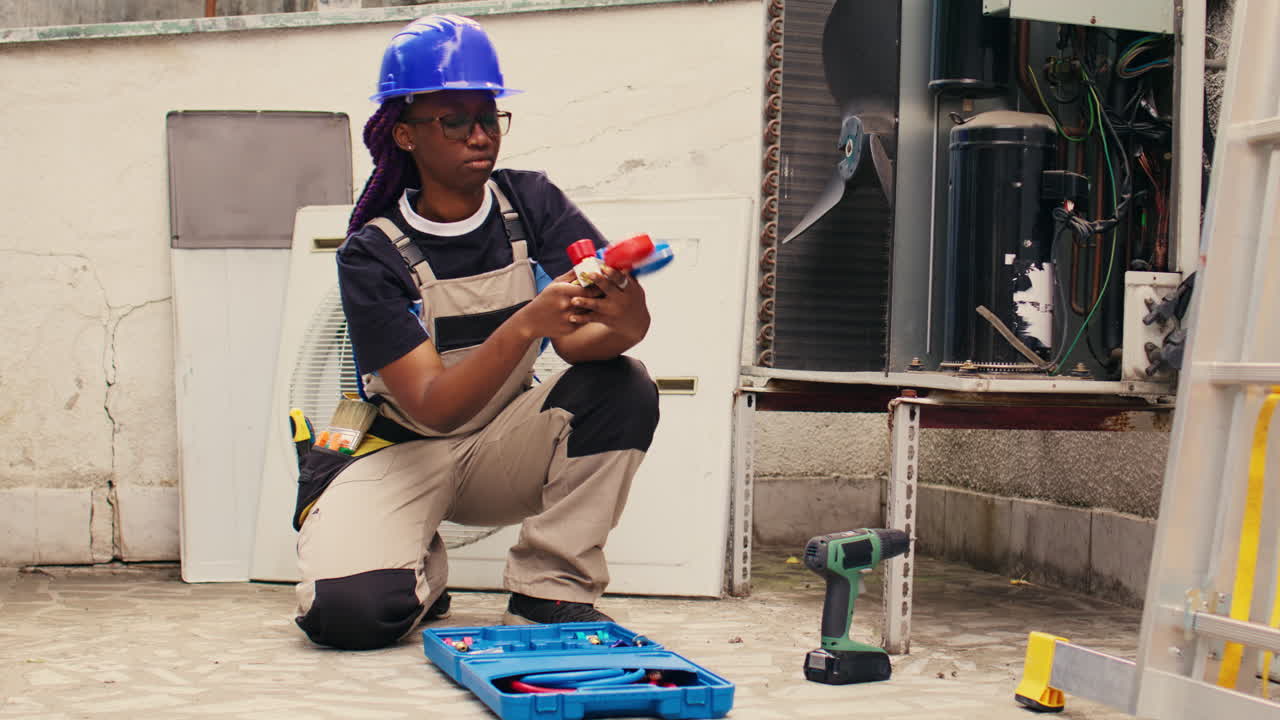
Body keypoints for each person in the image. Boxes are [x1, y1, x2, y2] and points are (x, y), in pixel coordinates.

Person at [291, 14, 659, 651]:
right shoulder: (372, 255)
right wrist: (526, 324)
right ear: (404, 134)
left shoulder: (532, 202)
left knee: (622, 385)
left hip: (499, 441)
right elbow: (433, 404)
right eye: (454, 120)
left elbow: (584, 345)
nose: (480, 135)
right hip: (393, 445)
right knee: (349, 618)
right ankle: (419, 575)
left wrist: (624, 304)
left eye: (489, 117)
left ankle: (551, 588)